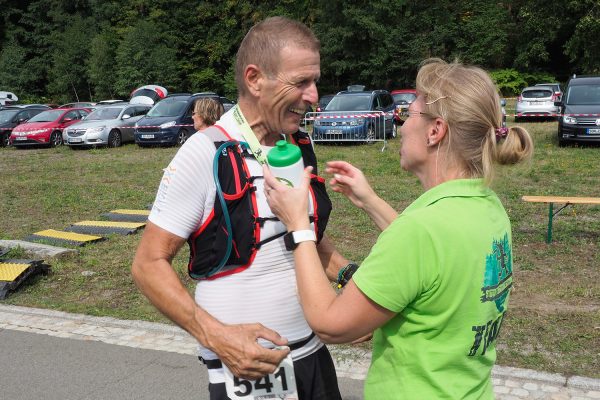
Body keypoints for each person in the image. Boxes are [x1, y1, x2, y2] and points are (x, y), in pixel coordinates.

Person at [262, 58, 534, 399]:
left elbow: (330, 324)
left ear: (435, 131)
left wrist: (298, 225)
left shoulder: (422, 231)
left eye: (409, 115)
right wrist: (370, 200)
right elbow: (434, 263)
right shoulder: (487, 206)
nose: (402, 126)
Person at [132, 16, 347, 400]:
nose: (314, 95)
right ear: (254, 79)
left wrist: (349, 277)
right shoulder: (204, 152)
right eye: (301, 82)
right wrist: (217, 337)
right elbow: (148, 265)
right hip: (250, 370)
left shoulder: (297, 144)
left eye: (315, 81)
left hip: (313, 355)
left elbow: (301, 237)